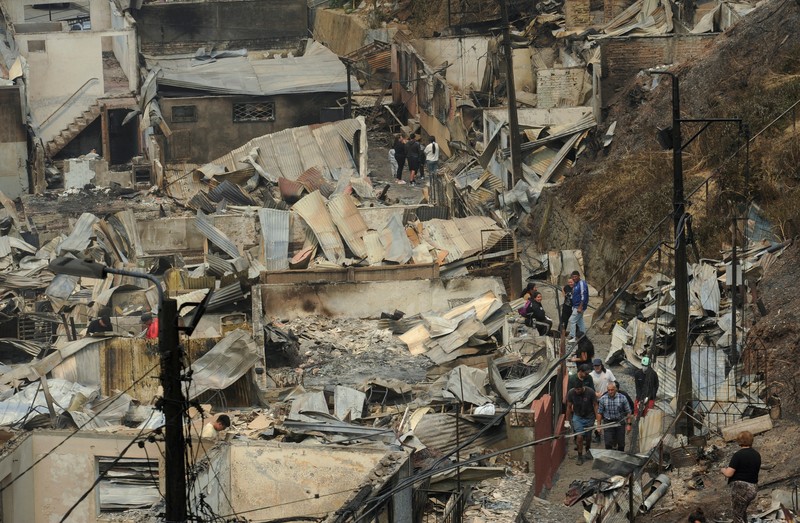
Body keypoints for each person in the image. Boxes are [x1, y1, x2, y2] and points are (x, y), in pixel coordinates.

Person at [721, 431, 761, 523]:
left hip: (741, 489)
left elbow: (729, 473)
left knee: (737, 515)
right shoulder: (756, 454)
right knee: (742, 513)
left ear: (740, 441)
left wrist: (722, 470)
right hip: (753, 488)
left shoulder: (738, 455)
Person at [565, 379, 598, 465]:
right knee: (579, 437)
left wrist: (597, 420)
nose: (577, 391)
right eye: (576, 389)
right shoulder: (571, 393)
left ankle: (588, 449)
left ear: (582, 387)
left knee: (588, 437)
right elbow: (568, 407)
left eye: (579, 389)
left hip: (589, 416)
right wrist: (567, 420)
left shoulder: (590, 392)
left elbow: (595, 405)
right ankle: (580, 456)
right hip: (578, 417)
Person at [596, 382, 632, 452]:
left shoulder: (622, 398)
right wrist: (598, 426)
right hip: (608, 423)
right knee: (608, 443)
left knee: (621, 444)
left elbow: (628, 412)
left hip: (620, 422)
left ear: (615, 389)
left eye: (612, 390)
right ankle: (609, 458)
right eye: (608, 390)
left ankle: (619, 458)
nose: (610, 392)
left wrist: (629, 424)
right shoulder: (603, 399)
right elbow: (599, 413)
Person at [568, 270, 589, 343]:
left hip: (579, 306)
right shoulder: (576, 284)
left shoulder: (582, 284)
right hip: (576, 305)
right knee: (580, 322)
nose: (574, 278)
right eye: (573, 277)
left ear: (579, 276)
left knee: (572, 320)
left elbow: (584, 295)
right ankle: (583, 336)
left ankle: (573, 337)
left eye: (575, 276)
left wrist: (580, 306)